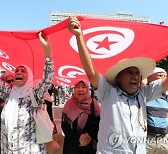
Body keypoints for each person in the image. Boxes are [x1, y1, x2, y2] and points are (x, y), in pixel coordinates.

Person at [67, 16, 168, 154]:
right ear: (119, 77)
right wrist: (79, 37)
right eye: (130, 72)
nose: (135, 76)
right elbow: (91, 72)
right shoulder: (108, 92)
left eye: (137, 73)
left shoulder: (144, 94)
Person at [0, 32, 54, 153]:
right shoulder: (9, 93)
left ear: (29, 77)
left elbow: (47, 78)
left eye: (23, 71)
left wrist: (47, 51)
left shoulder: (34, 94)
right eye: (16, 70)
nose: (18, 72)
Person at [61, 79, 100, 154]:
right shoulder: (69, 104)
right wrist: (78, 139)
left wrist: (87, 137)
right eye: (77, 87)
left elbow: (99, 125)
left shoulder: (94, 105)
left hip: (89, 147)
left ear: (87, 90)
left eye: (83, 87)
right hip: (71, 147)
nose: (80, 89)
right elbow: (64, 126)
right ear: (74, 89)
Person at [146, 67, 168, 154]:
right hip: (146, 139)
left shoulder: (166, 94)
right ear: (149, 77)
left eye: (164, 75)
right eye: (159, 75)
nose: (163, 77)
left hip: (163, 139)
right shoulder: (144, 92)